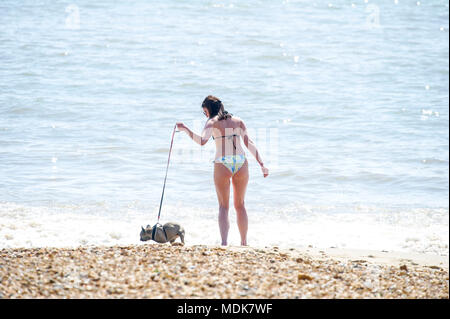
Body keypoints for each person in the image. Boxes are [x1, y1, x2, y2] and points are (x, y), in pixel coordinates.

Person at [176, 95, 268, 246]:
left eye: (204, 111)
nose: (204, 114)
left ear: (209, 109)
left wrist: (185, 129)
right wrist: (262, 164)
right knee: (240, 205)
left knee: (223, 206)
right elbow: (248, 143)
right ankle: (244, 243)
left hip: (222, 163)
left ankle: (224, 243)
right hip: (240, 162)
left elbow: (202, 141)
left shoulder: (211, 122)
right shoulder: (238, 121)